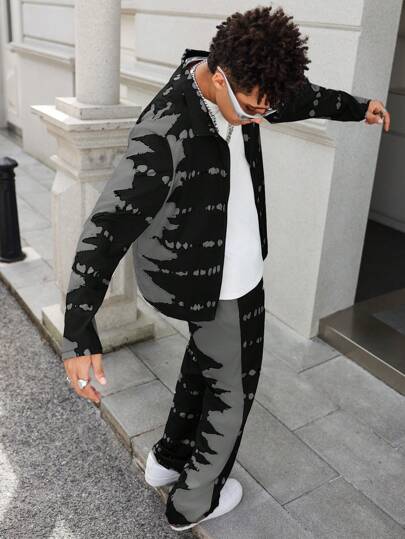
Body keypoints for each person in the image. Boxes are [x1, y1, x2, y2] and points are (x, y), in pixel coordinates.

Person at [62, 5, 390, 532]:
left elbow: (298, 99)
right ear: (220, 78)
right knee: (233, 391)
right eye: (253, 107)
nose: (260, 117)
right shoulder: (165, 130)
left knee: (206, 365)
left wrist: (358, 108)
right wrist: (79, 335)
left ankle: (168, 459)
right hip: (213, 280)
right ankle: (192, 503)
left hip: (233, 264)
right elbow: (105, 229)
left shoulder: (244, 81)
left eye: (267, 107)